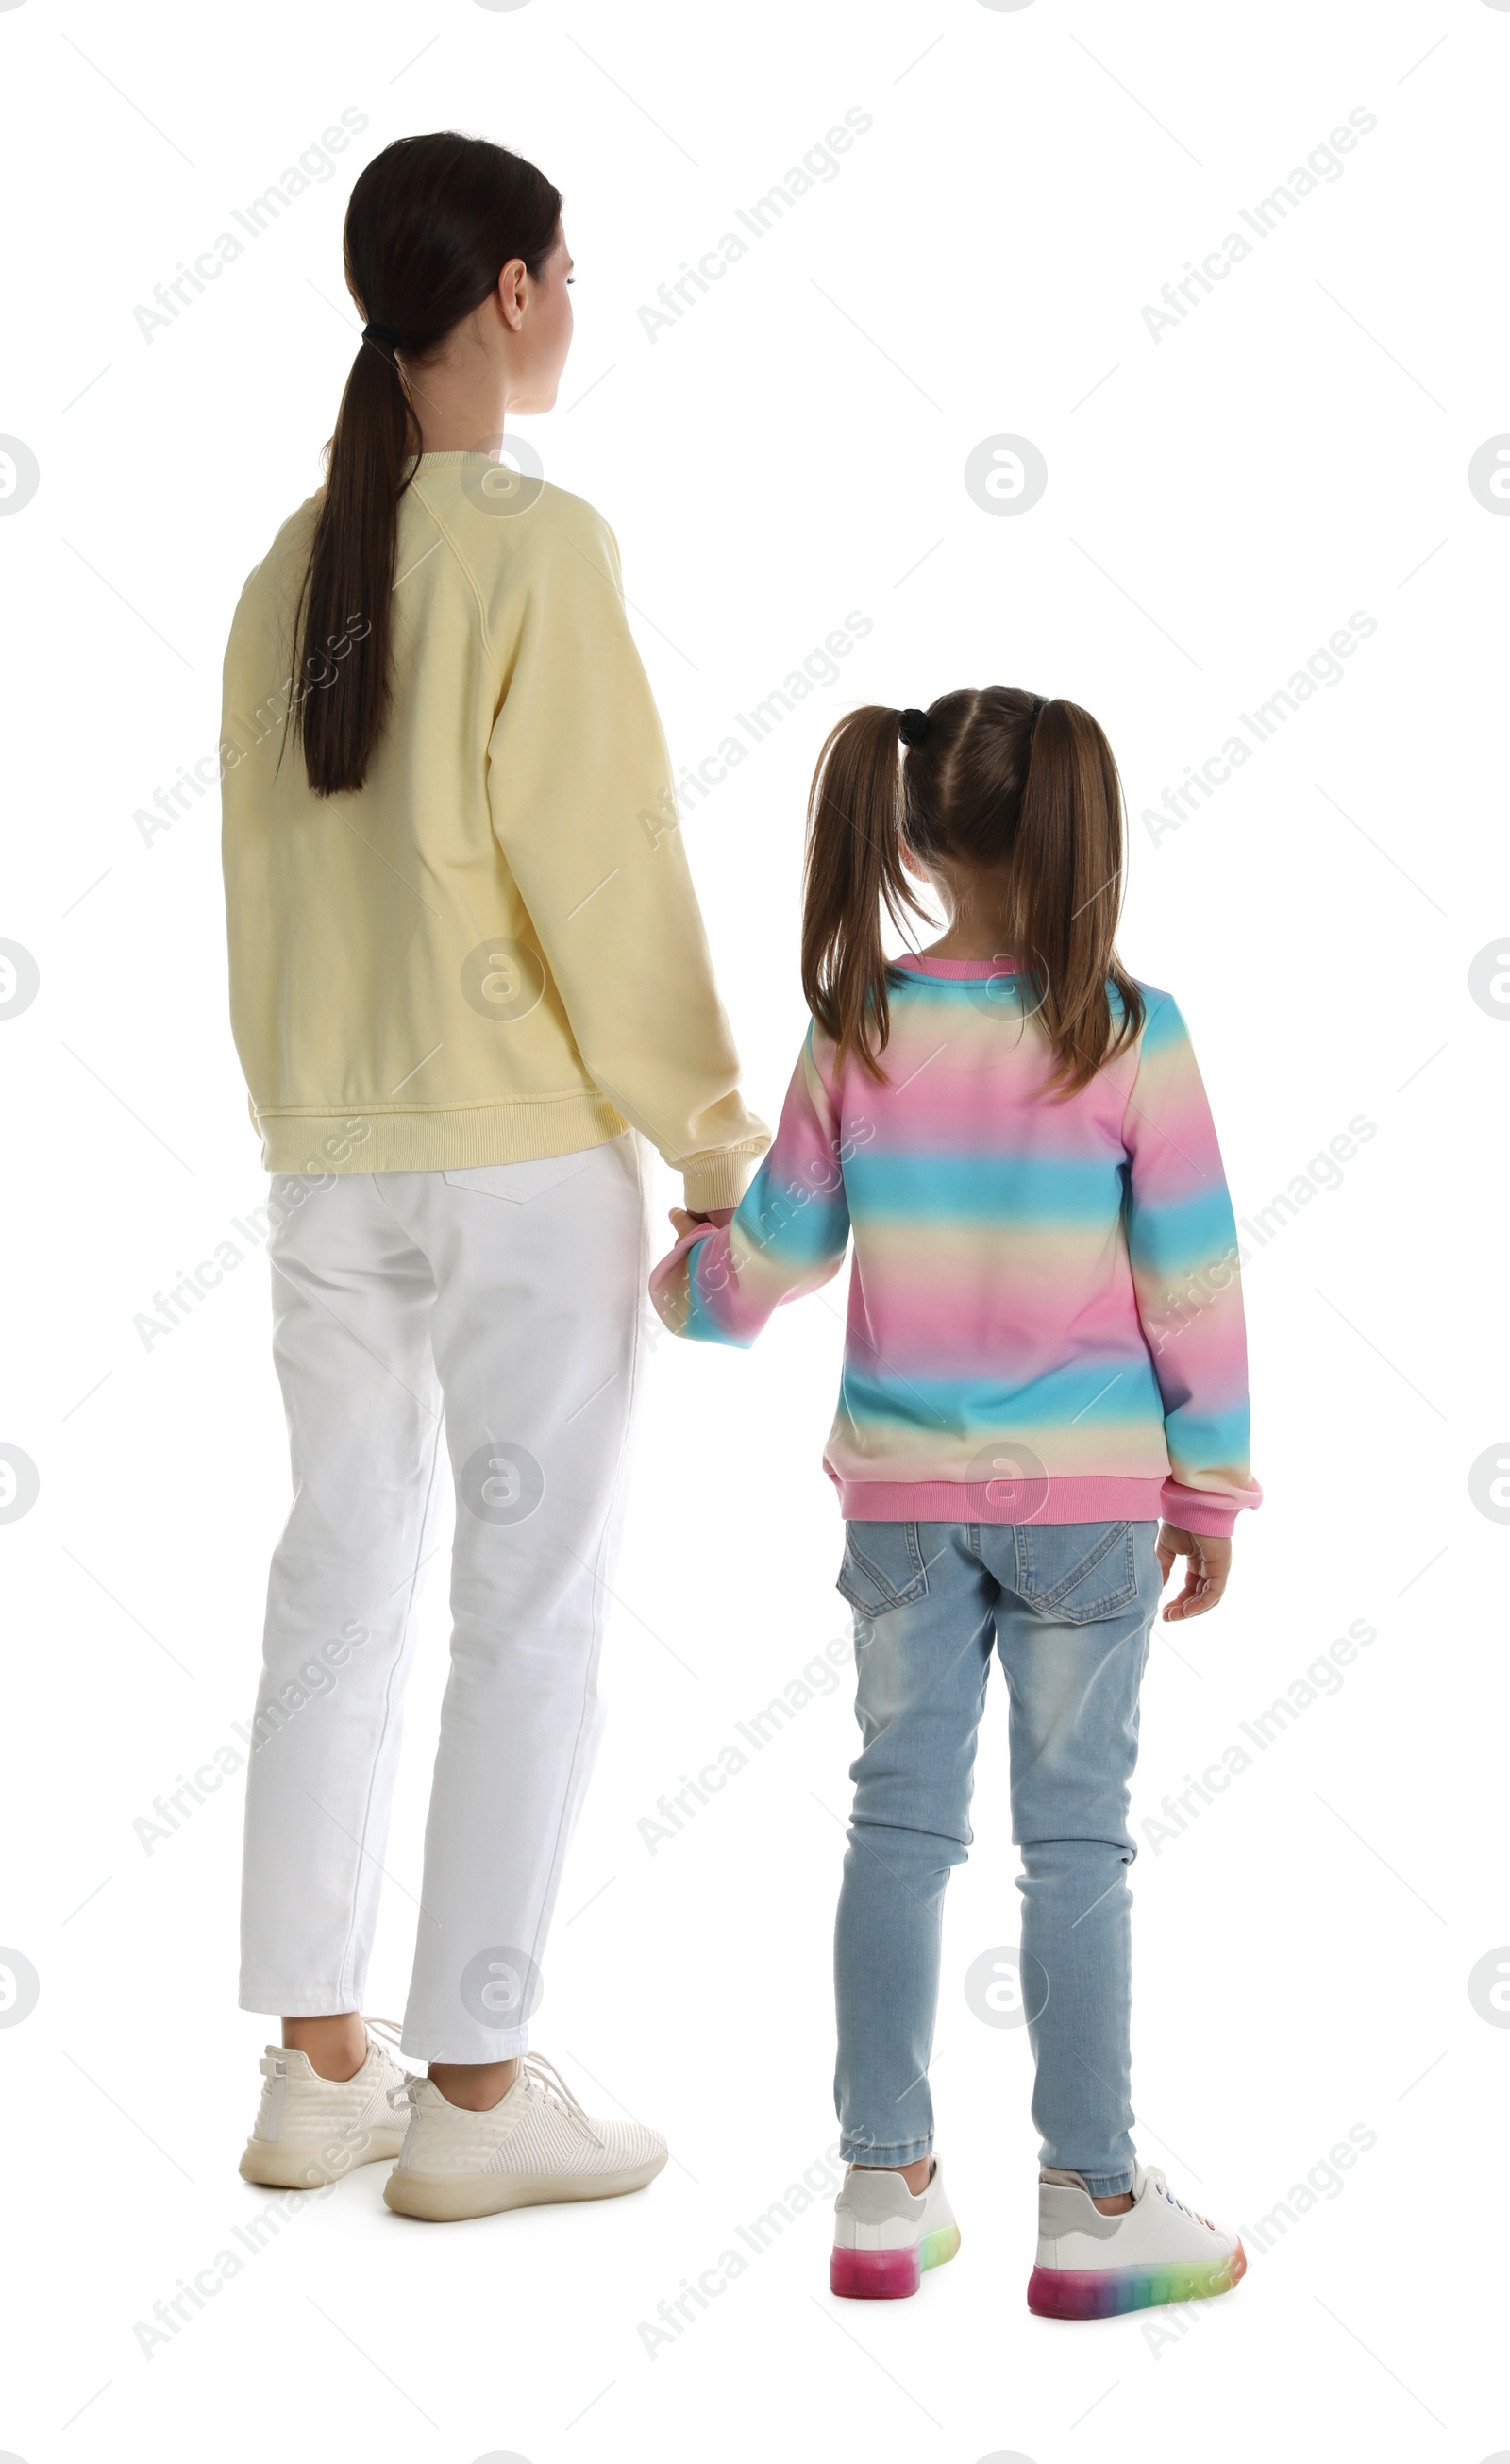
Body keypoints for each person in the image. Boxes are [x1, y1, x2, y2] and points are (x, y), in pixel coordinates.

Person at [221, 131, 766, 2221]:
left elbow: (269, 889)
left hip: (326, 1163)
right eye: (567, 266)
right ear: (516, 292)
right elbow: (601, 868)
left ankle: (313, 2068)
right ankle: (466, 2095)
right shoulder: (535, 546)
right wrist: (714, 1142)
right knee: (523, 1614)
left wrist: (308, 1122)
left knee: (336, 1584)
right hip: (524, 1161)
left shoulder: (288, 567)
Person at [649, 689, 1260, 2314]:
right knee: (1080, 1848)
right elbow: (1193, 1287)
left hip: (902, 1508)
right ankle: (1090, 2197)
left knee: (897, 1828)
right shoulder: (1138, 1033)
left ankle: (879, 2179)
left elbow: (773, 1252)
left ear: (912, 833)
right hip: (1090, 1506)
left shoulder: (860, 1027)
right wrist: (1209, 1490)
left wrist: (684, 1287)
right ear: (1079, 834)